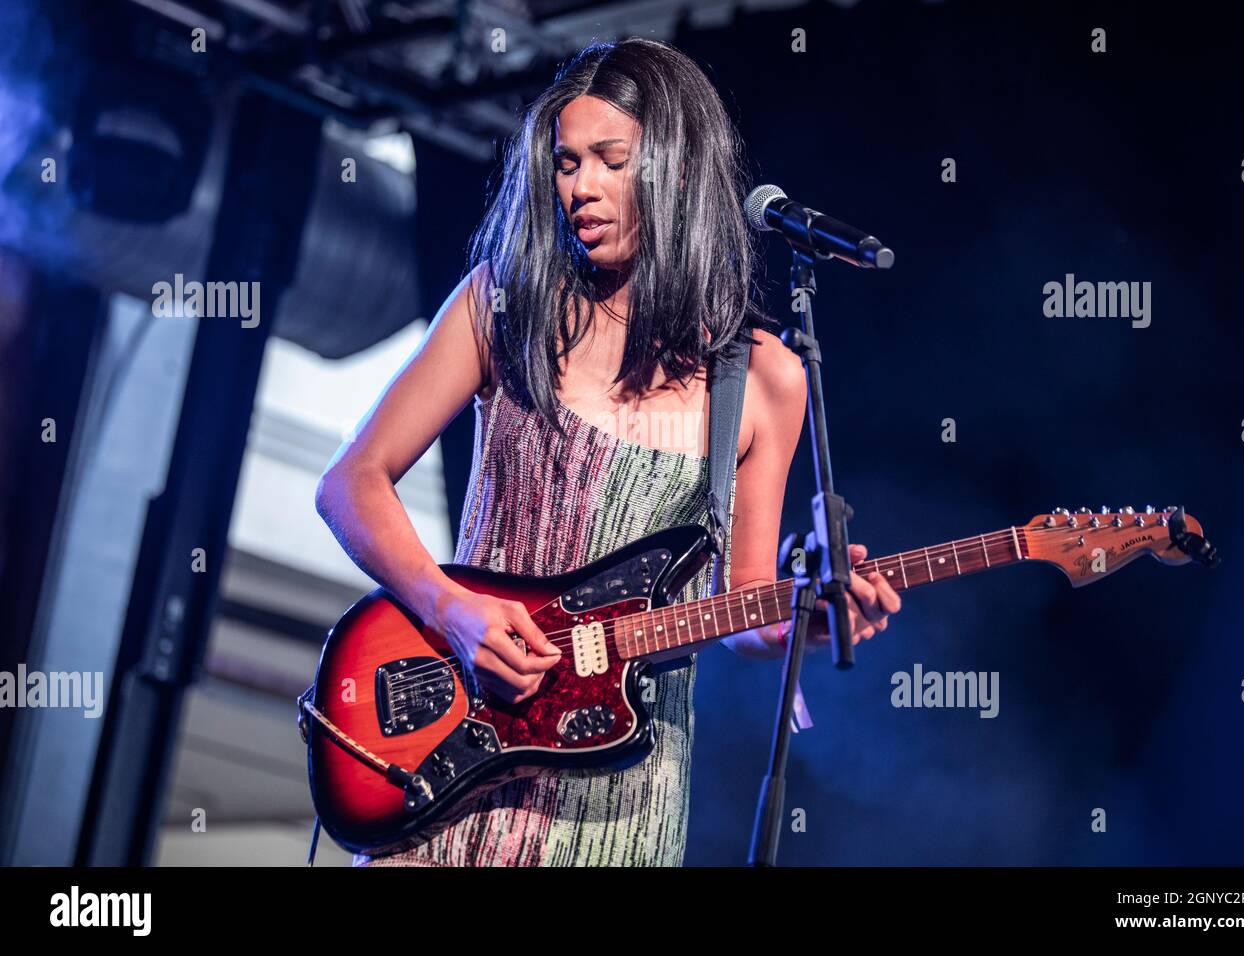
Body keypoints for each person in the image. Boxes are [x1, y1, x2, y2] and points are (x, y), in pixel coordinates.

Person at [314, 37, 901, 867]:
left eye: (609, 160)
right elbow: (351, 483)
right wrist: (449, 607)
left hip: (621, 798)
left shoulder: (764, 378)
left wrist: (806, 622)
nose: (580, 185)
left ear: (680, 171)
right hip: (463, 759)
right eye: (565, 162)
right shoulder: (505, 304)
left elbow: (744, 609)